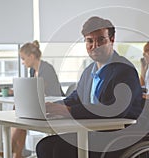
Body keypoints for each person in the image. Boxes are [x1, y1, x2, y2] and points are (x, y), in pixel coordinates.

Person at [36, 16, 143, 158]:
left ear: (112, 40)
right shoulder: (88, 71)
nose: (95, 46)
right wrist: (47, 106)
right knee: (45, 146)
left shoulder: (125, 71)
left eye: (101, 40)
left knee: (61, 150)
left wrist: (68, 111)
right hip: (94, 132)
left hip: (118, 136)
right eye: (90, 41)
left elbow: (115, 110)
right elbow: (75, 98)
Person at [9, 40, 65, 158]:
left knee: (21, 119)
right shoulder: (33, 70)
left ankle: (10, 149)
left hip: (55, 103)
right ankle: (16, 153)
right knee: (20, 116)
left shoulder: (46, 68)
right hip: (42, 103)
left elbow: (39, 89)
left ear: (32, 56)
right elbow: (32, 90)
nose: (23, 63)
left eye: (23, 59)